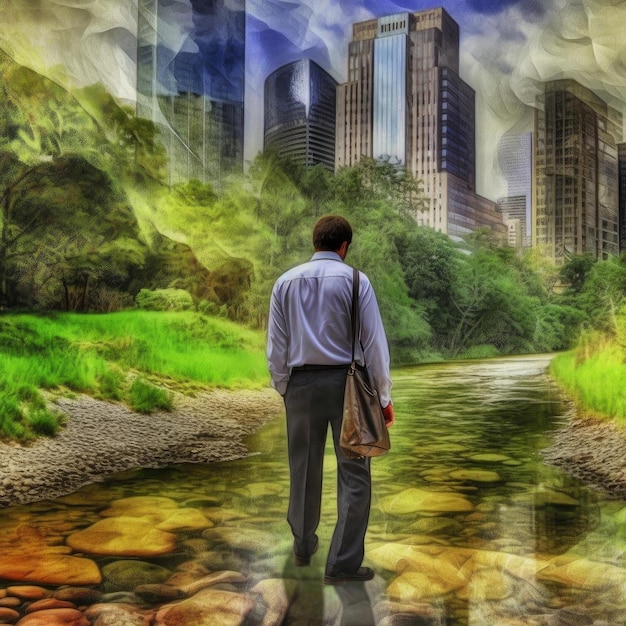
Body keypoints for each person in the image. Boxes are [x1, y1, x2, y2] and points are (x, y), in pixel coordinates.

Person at [266, 214, 394, 585]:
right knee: (355, 474)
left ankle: (303, 546)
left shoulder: (284, 283)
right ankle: (342, 563)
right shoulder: (357, 281)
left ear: (314, 243)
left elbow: (276, 348)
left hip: (301, 386)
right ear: (344, 246)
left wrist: (285, 388)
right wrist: (383, 397)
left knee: (302, 469)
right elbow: (374, 345)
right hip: (349, 387)